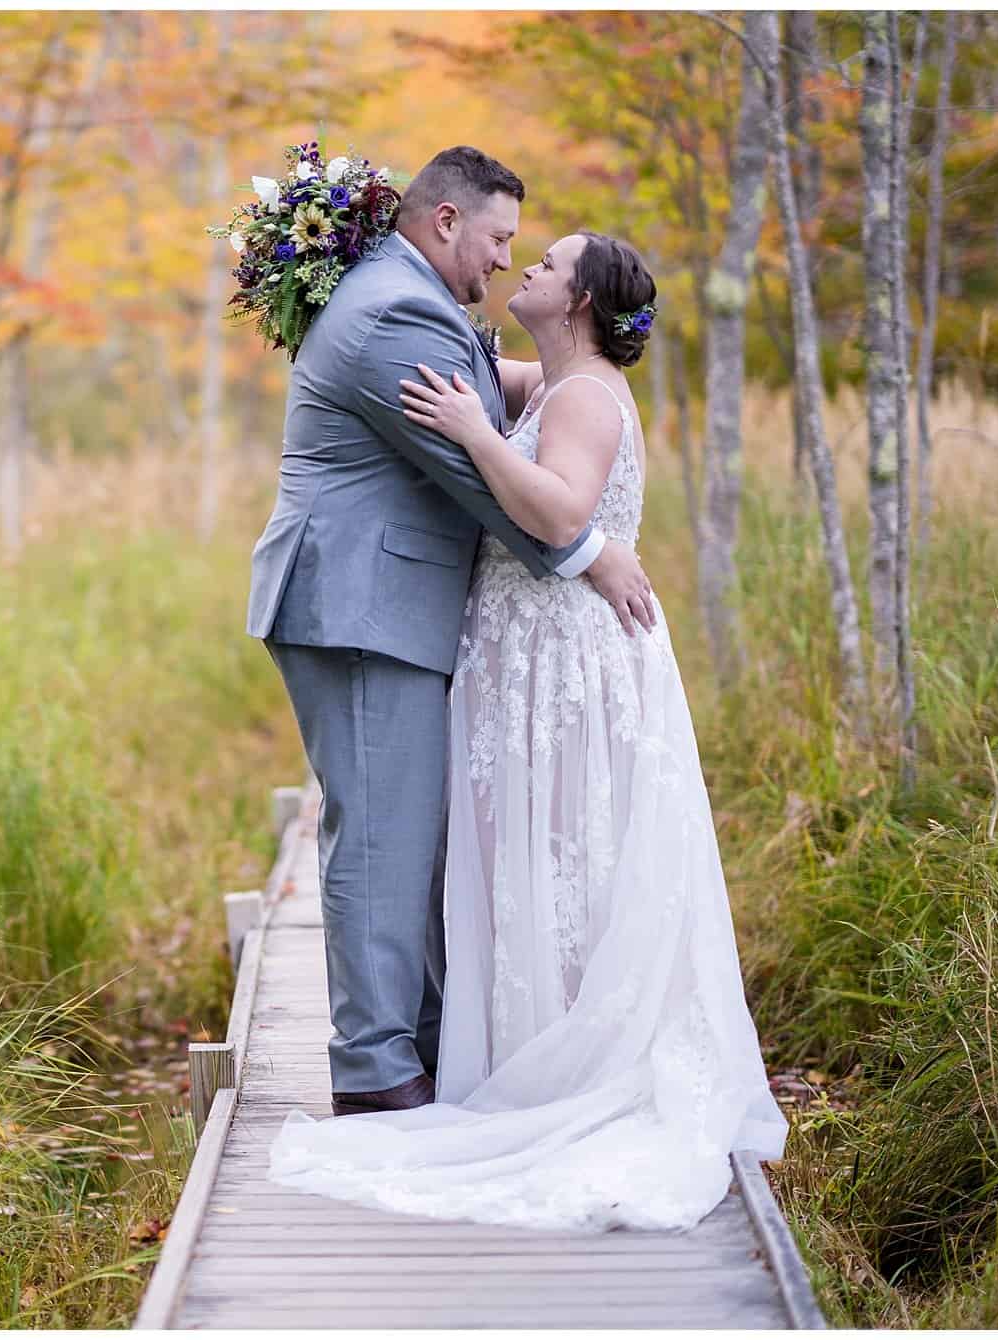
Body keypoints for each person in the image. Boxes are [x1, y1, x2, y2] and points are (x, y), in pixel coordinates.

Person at [265, 227, 789, 1232]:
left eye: (544, 265)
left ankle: (562, 1064)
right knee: (520, 852)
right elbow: (434, 361)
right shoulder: (540, 380)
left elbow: (557, 515)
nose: (523, 271)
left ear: (579, 302)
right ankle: (517, 1047)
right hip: (521, 649)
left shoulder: (585, 396)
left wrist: (471, 431)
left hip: (569, 657)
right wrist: (329, 263)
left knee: (565, 850)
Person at [245, 145, 657, 1118]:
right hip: (356, 606)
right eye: (497, 239)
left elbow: (502, 385)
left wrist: (574, 370)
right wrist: (587, 549)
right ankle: (376, 1068)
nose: (504, 262)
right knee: (383, 835)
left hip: (382, 606)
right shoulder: (394, 309)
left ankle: (416, 1045)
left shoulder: (418, 301)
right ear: (442, 223)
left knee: (409, 834)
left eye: (526, 251)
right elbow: (471, 470)